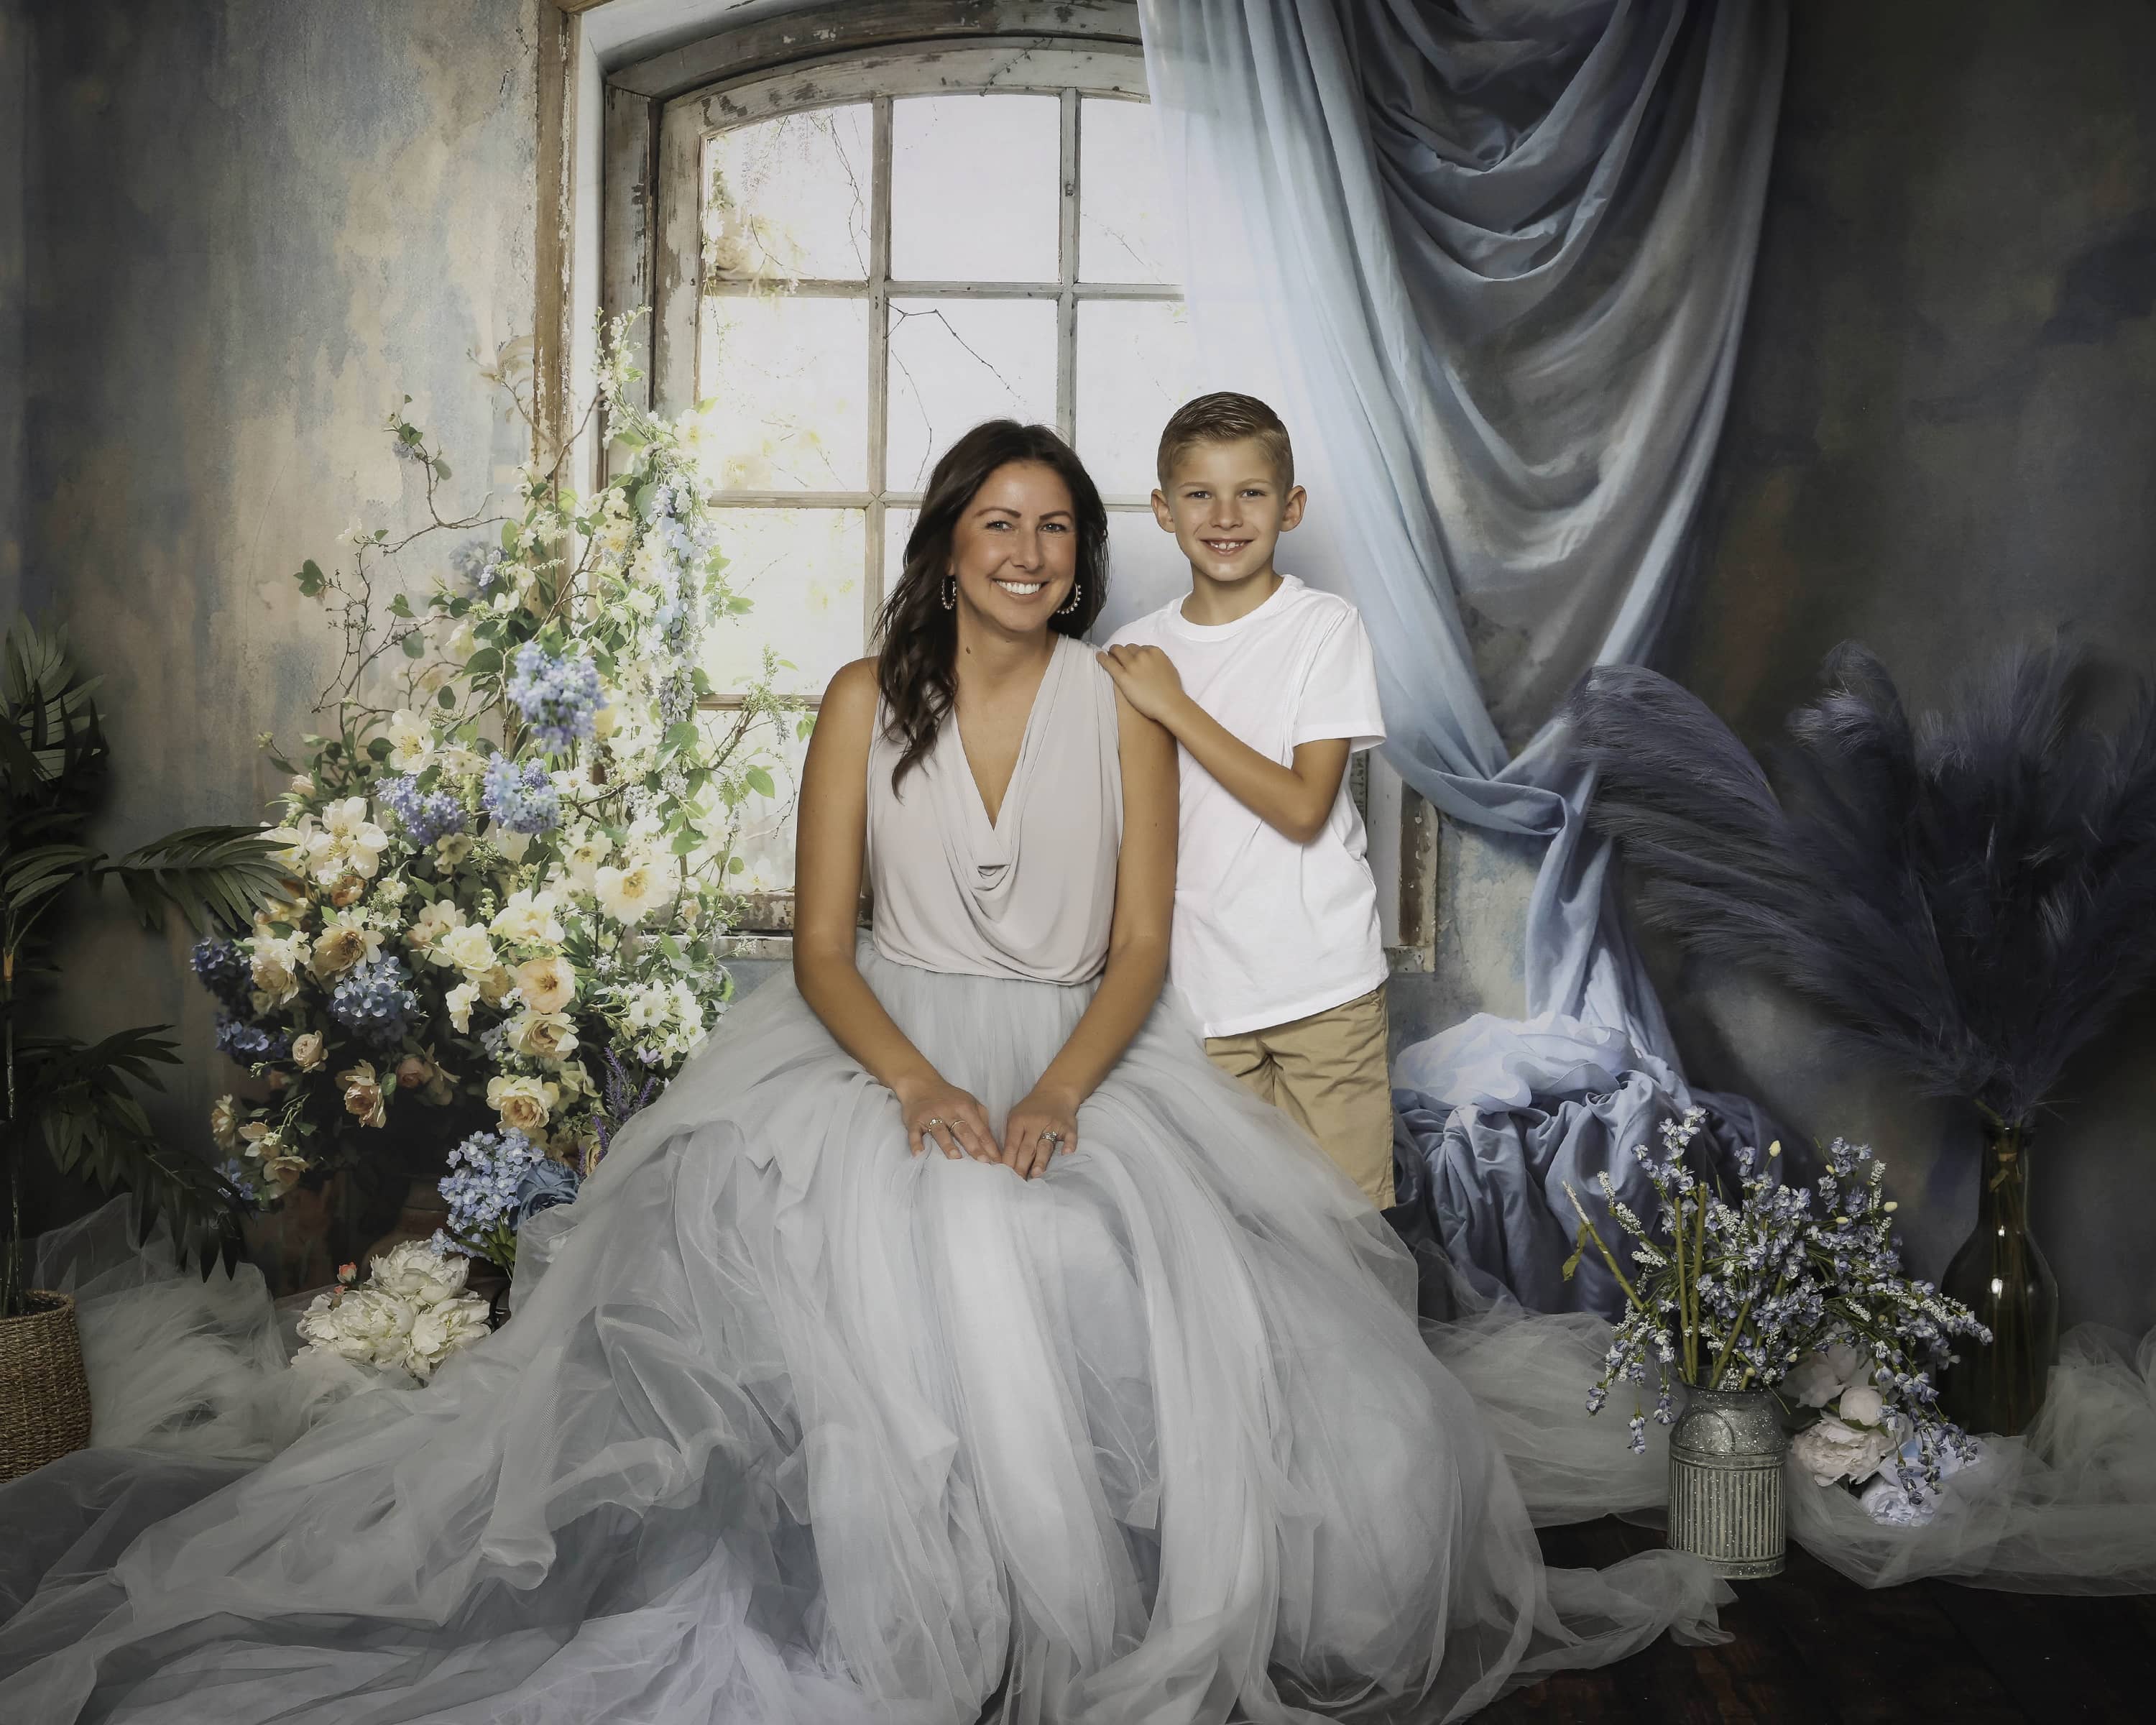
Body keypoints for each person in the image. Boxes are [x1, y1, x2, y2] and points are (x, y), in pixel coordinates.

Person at [0, 421, 1718, 1724]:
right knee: (857, 1231)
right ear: (946, 546)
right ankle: (888, 1582)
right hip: (875, 1035)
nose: (1031, 550)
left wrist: (1054, 1088)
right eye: (1000, 523)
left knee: (1107, 1249)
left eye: (1057, 526)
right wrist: (910, 1081)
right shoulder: (854, 699)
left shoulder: (1124, 700)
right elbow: (820, 948)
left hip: (1080, 1037)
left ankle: (1089, 1592)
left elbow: (1135, 948)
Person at [1103, 392, 1396, 1208]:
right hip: (1198, 1000)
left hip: (1322, 987)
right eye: (1200, 494)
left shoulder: (1324, 629)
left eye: (1252, 493)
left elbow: (1305, 808)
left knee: (1349, 1236)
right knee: (1233, 1243)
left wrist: (1177, 707)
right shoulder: (1134, 655)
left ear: (1291, 507)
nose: (1225, 515)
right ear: (1164, 510)